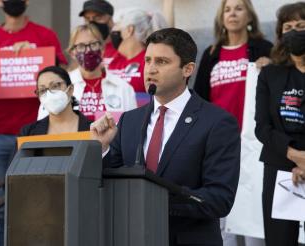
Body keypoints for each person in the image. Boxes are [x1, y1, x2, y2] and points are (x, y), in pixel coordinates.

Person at [91, 28, 241, 246]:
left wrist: (157, 200)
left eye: (161, 62)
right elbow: (110, 182)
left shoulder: (217, 122)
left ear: (188, 69)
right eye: (148, 60)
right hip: (131, 237)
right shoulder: (129, 121)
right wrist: (102, 148)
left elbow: (219, 199)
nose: (150, 69)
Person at [0, 1, 68, 245]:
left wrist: (35, 56)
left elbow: (64, 79)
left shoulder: (45, 36)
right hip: (0, 136)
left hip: (39, 134)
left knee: (42, 204)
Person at [254, 2, 305, 246]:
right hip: (279, 167)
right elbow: (262, 127)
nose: (294, 31)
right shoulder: (270, 74)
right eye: (288, 27)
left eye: (301, 25)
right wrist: (296, 156)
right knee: (279, 240)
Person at [193, 0, 272, 130]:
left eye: (239, 9)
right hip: (218, 133)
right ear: (222, 18)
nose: (233, 14)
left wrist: (272, 67)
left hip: (254, 135)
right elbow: (199, 98)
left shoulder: (264, 48)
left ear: (250, 17)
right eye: (227, 10)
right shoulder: (211, 53)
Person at [38, 24, 137, 121]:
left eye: (93, 44)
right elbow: (43, 126)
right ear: (72, 53)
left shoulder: (123, 88)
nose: (88, 50)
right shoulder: (59, 87)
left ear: (102, 49)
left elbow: (132, 128)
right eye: (81, 46)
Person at [16, 66, 91, 143]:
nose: (49, 94)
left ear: (70, 89)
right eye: (42, 90)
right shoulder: (28, 133)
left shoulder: (93, 129)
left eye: (55, 86)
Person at [108, 8, 168, 93]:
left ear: (129, 30)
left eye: (117, 26)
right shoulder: (116, 60)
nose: (112, 32)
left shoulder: (150, 62)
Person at [79, 0, 116, 67]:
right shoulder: (83, 48)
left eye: (98, 17)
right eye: (87, 18)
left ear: (110, 19)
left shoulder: (122, 47)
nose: (92, 22)